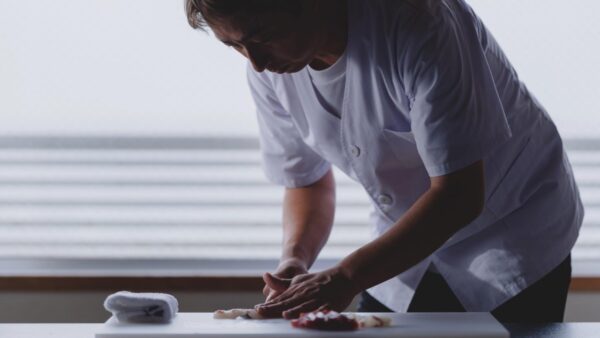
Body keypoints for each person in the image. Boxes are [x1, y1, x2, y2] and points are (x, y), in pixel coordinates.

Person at [184, 0, 583, 322]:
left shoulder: (421, 22)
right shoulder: (270, 69)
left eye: (262, 36)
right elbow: (306, 180)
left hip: (512, 234)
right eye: (233, 44)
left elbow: (458, 195)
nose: (254, 60)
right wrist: (294, 259)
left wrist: (345, 276)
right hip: (401, 246)